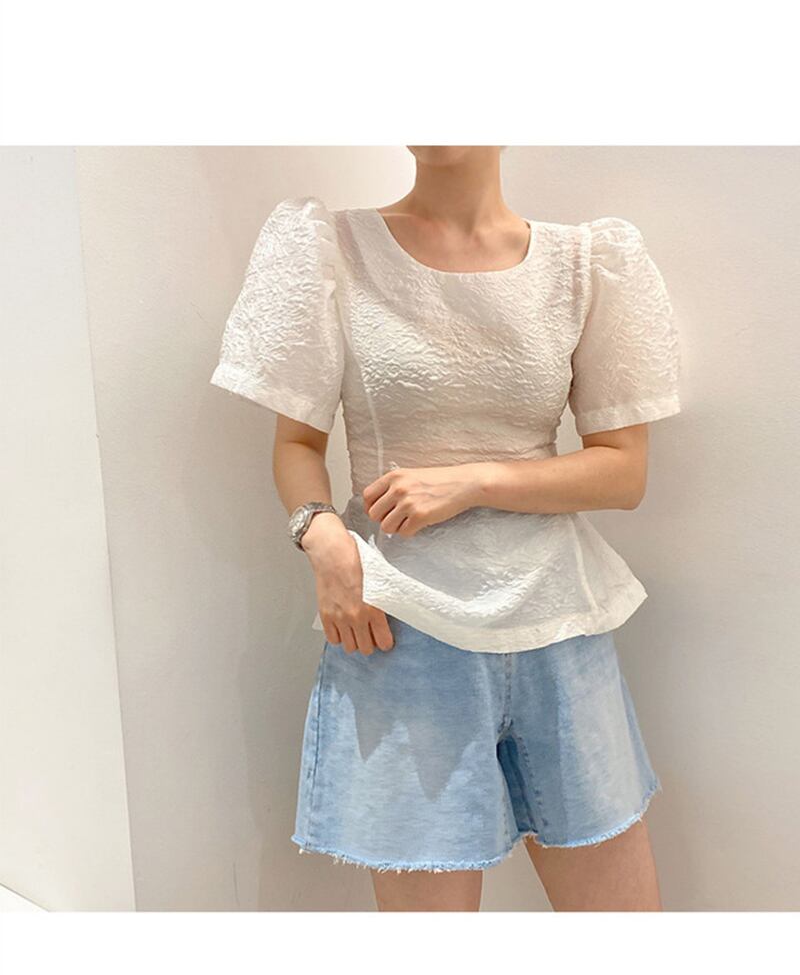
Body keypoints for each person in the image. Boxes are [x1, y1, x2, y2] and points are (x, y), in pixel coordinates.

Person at [210, 145, 682, 912]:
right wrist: (323, 539)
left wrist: (474, 481)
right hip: (399, 629)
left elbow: (622, 472)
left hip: (560, 627)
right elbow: (297, 443)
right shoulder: (333, 249)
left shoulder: (584, 264)